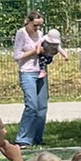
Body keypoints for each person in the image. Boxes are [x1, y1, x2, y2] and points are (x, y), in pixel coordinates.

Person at [11, 11, 54, 148]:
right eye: (35, 25)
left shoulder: (40, 34)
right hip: (27, 72)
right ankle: (23, 139)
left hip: (40, 71)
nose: (37, 29)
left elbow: (42, 50)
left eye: (40, 26)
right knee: (31, 106)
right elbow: (17, 56)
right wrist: (35, 51)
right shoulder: (21, 33)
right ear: (28, 22)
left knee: (42, 107)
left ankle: (37, 138)